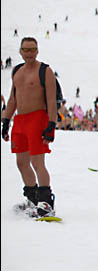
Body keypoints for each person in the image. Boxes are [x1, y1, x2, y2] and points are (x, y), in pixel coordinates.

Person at [1, 37, 58, 217]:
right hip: (20, 120)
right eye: (26, 50)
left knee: (37, 162)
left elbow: (51, 99)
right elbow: (12, 99)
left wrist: (51, 124)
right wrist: (5, 120)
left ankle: (46, 203)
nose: (29, 53)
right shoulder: (17, 71)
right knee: (21, 162)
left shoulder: (45, 71)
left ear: (37, 51)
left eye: (32, 50)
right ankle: (33, 199)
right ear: (20, 51)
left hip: (38, 119)